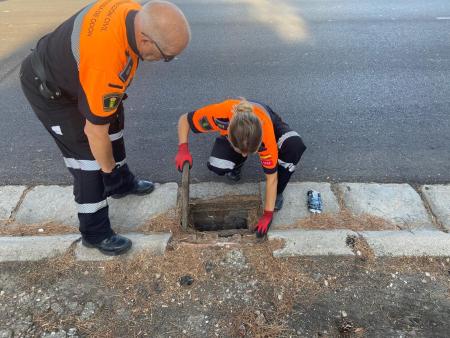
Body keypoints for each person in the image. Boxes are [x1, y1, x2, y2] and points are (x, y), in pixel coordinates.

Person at [19, 0, 191, 255]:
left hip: (79, 74)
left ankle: (120, 185)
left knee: (113, 123)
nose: (163, 61)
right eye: (166, 57)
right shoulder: (107, 61)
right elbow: (94, 132)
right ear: (144, 40)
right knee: (87, 160)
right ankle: (95, 233)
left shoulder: (131, 12)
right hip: (51, 90)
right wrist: (108, 169)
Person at [175, 99, 306, 237]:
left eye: (249, 152)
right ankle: (236, 164)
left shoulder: (266, 138)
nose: (245, 154)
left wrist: (268, 214)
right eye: (241, 151)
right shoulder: (218, 116)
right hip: (237, 123)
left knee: (294, 145)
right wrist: (183, 148)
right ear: (228, 135)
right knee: (217, 165)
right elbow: (185, 120)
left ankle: (278, 193)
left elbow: (271, 178)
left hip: (267, 119)